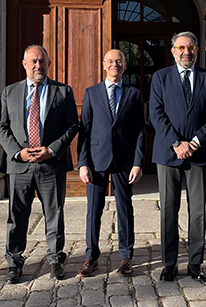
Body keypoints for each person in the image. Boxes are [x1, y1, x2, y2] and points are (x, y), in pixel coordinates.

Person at [0, 45, 78, 283]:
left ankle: (56, 260)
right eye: (33, 61)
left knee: (54, 214)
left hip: (51, 164)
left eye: (42, 61)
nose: (38, 66)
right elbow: (1, 126)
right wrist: (17, 152)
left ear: (48, 64)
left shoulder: (63, 91)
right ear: (24, 64)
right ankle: (14, 262)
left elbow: (72, 125)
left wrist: (51, 150)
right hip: (19, 165)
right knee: (17, 215)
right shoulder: (10, 92)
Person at [150, 31, 206, 282]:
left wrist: (195, 141)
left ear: (197, 50)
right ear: (173, 51)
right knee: (169, 210)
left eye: (190, 47)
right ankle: (169, 264)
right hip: (168, 153)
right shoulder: (160, 77)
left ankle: (195, 263)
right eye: (181, 47)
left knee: (198, 211)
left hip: (199, 152)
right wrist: (176, 143)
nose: (186, 52)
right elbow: (156, 113)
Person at [76, 49, 146, 277]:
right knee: (93, 209)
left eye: (119, 61)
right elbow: (85, 130)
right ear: (104, 65)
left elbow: (139, 130)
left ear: (124, 66)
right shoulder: (92, 93)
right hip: (97, 159)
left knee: (125, 208)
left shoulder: (134, 94)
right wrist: (83, 163)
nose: (114, 64)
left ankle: (126, 257)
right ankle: (91, 256)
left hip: (124, 159)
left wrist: (138, 162)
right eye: (110, 61)